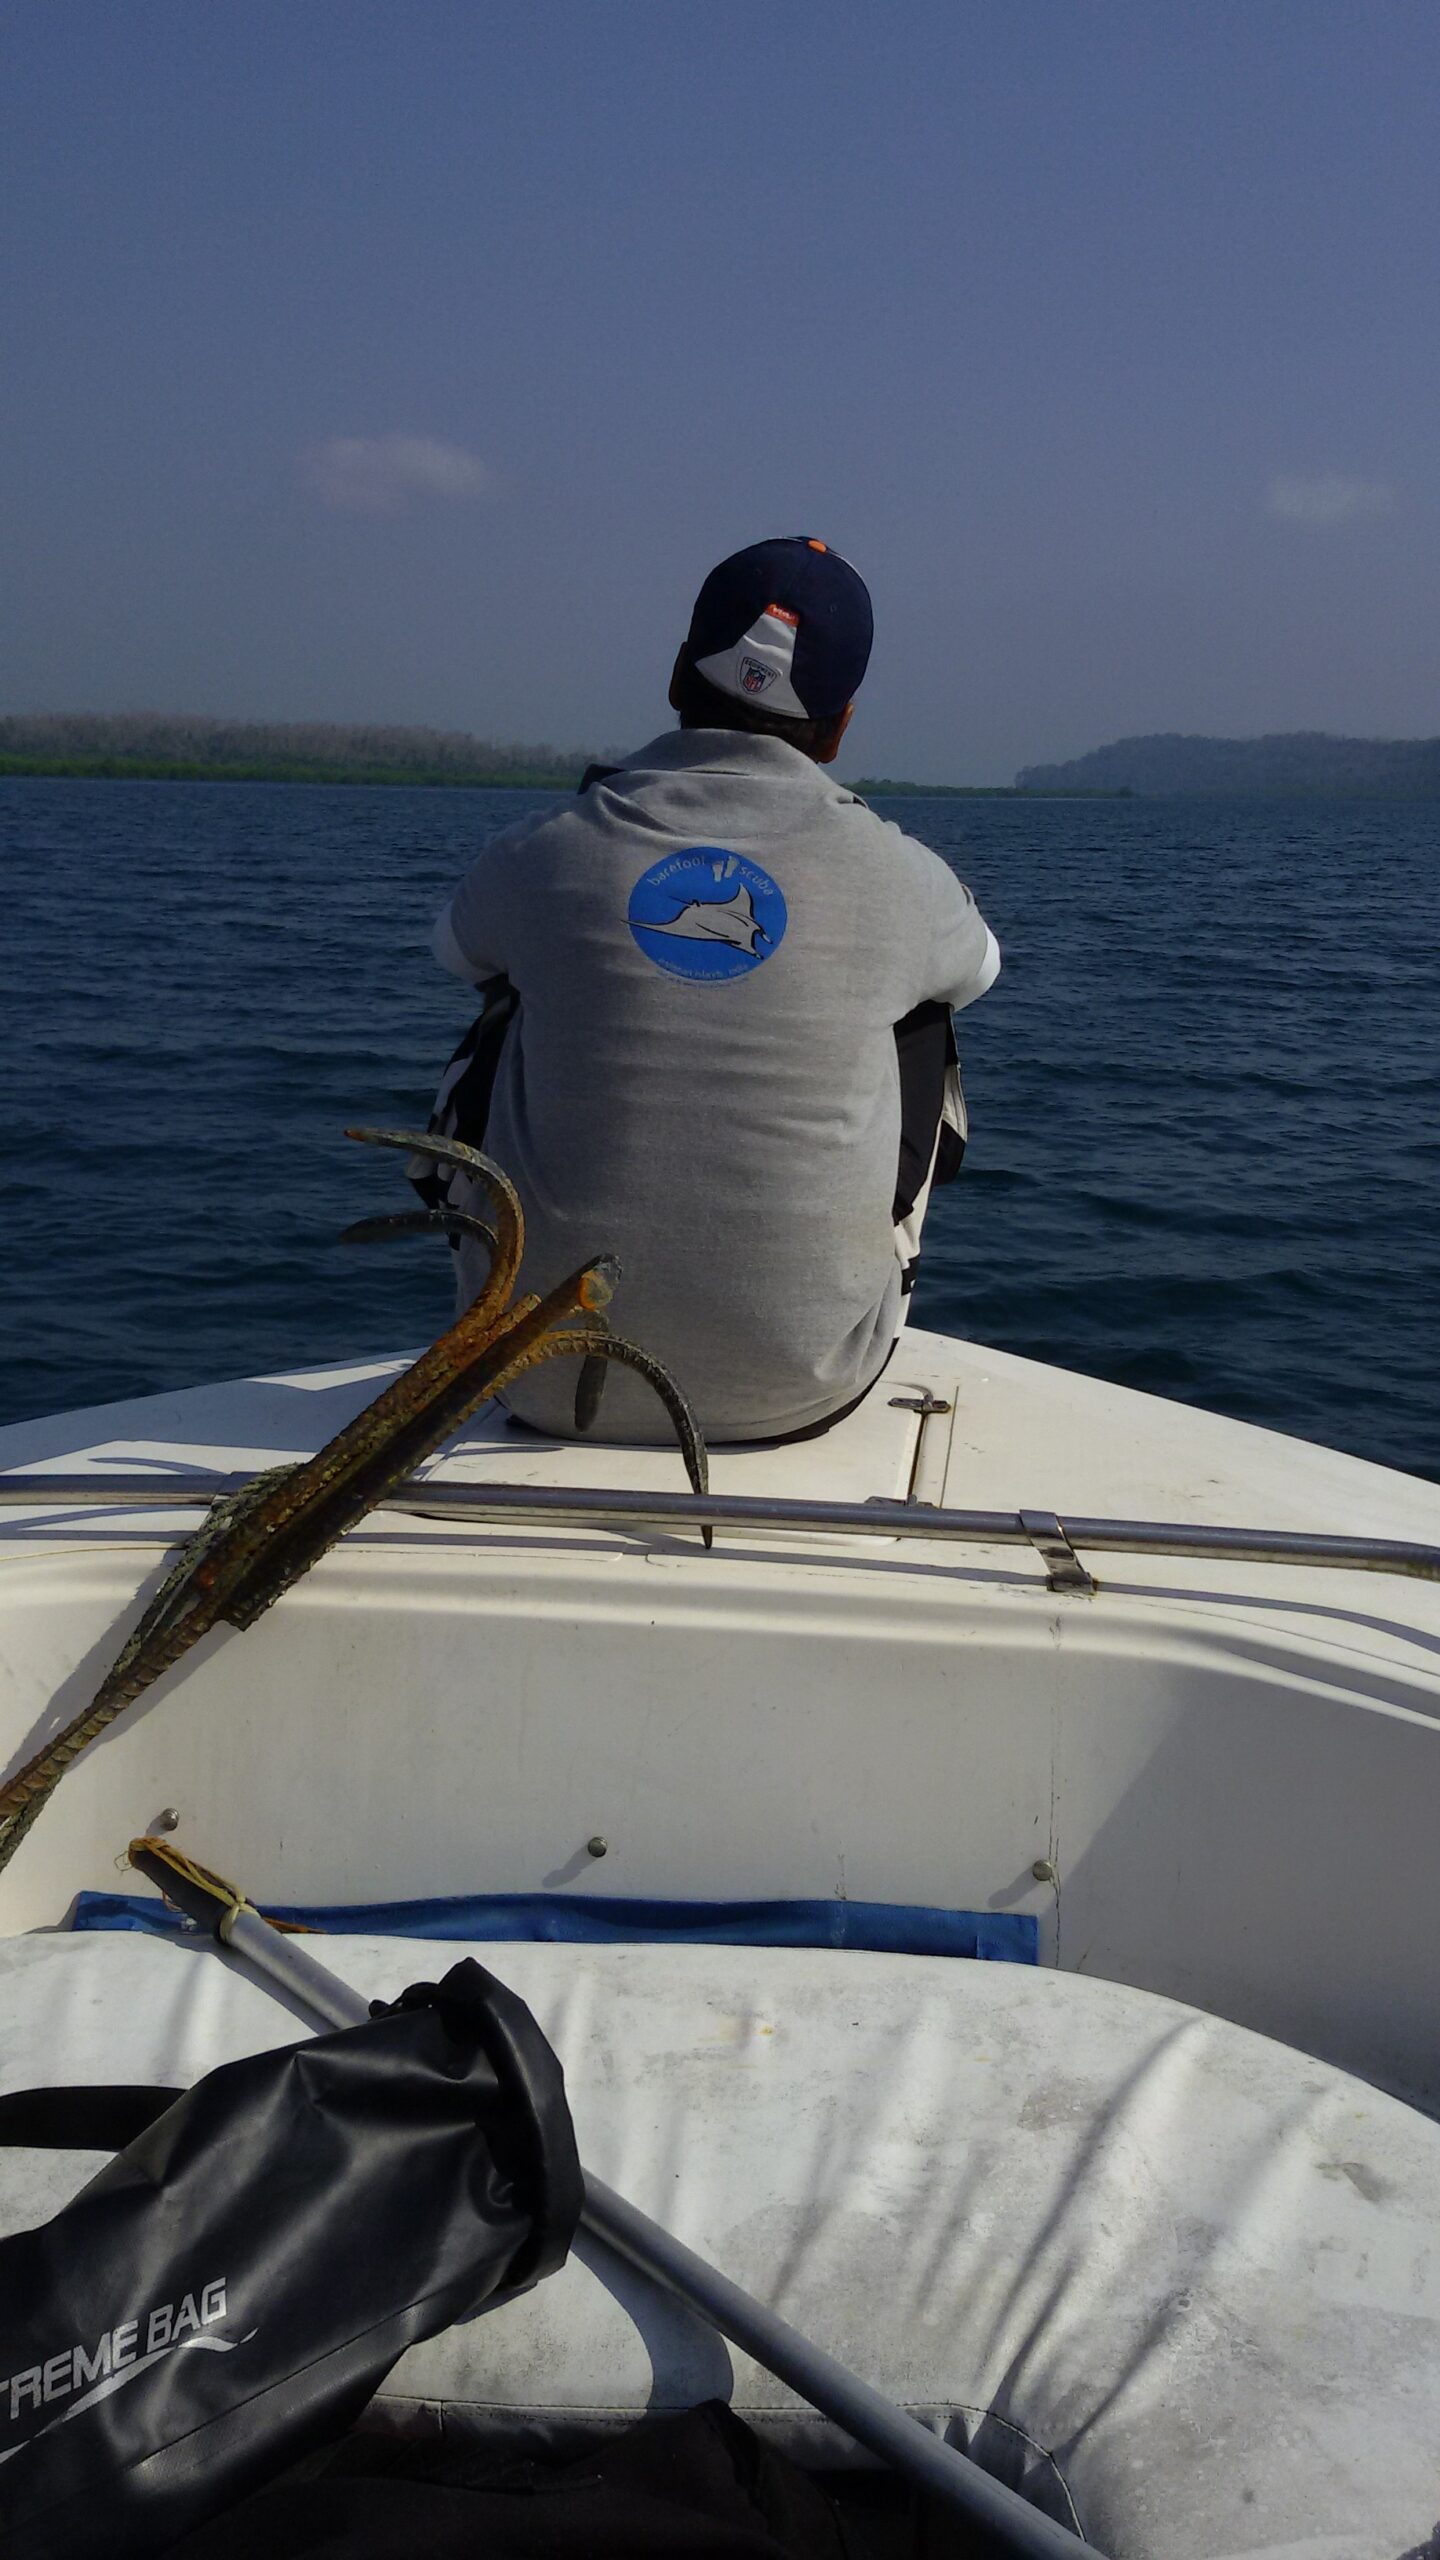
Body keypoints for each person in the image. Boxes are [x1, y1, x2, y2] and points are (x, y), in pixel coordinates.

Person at [424, 535, 999, 1444]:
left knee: (511, 986)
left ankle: (509, 1287)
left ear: (674, 676)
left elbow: (455, 952)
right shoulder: (899, 874)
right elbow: (982, 968)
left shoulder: (544, 848)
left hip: (526, 1371)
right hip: (801, 1389)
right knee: (924, 1010)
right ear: (841, 725)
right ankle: (825, 1298)